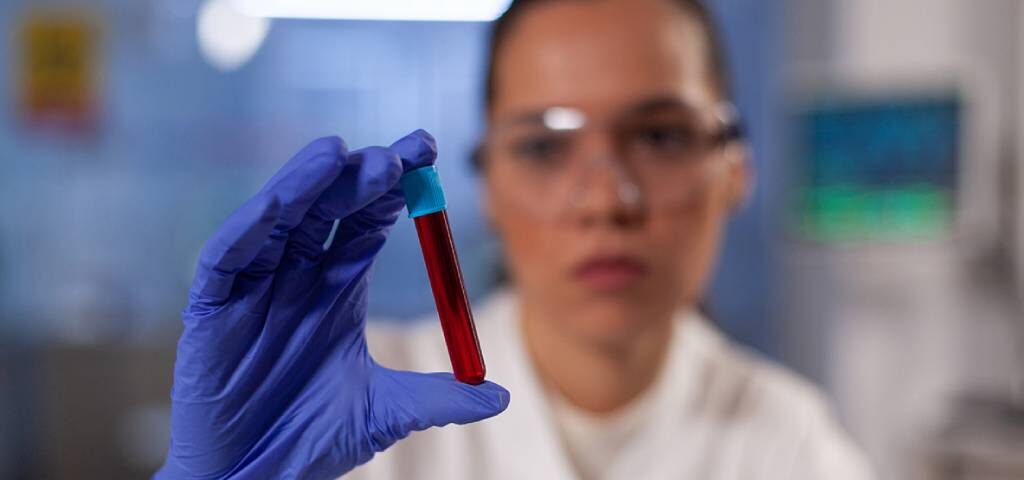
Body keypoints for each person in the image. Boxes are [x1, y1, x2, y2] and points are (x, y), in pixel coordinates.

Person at [157, 0, 875, 479]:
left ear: (735, 174)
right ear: (488, 188)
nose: (605, 203)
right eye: (543, 147)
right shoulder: (357, 404)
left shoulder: (791, 442)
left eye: (660, 136)